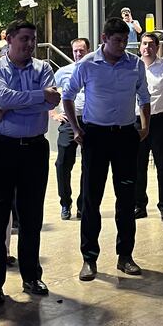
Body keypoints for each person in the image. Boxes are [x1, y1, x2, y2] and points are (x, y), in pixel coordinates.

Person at [62, 16, 151, 281]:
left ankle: (125, 256)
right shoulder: (88, 64)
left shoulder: (135, 64)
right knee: (92, 199)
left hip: (125, 136)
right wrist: (76, 129)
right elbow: (67, 96)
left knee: (126, 198)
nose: (122, 45)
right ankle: (89, 259)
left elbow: (144, 96)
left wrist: (145, 126)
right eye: (117, 41)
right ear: (104, 39)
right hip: (96, 136)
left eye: (125, 41)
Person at [0, 20, 60, 305]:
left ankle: (31, 276)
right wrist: (37, 97)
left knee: (31, 216)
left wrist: (11, 105)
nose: (30, 44)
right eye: (24, 38)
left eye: (33, 39)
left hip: (34, 149)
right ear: (10, 40)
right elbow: (2, 96)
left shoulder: (44, 68)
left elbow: (53, 102)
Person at [135, 32, 163, 222]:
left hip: (160, 120)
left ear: (157, 47)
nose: (147, 47)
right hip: (137, 121)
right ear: (140, 46)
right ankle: (139, 205)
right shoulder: (133, 66)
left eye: (151, 44)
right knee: (138, 166)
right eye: (144, 44)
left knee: (162, 166)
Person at [54, 38, 90, 220]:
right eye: (75, 50)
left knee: (89, 164)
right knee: (62, 163)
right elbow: (49, 92)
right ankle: (65, 203)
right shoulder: (63, 72)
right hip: (69, 121)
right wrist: (53, 114)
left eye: (81, 50)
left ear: (88, 51)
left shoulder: (94, 70)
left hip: (90, 121)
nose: (78, 54)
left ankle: (83, 205)